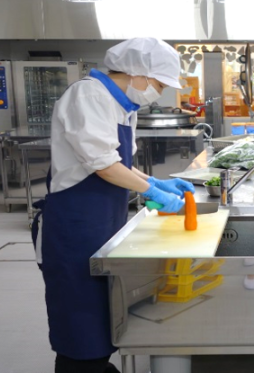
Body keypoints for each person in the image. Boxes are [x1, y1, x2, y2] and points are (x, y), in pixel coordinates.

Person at [34, 37, 194, 373]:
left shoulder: (122, 106)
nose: (159, 92)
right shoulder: (88, 95)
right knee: (79, 315)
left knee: (103, 308)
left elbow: (120, 163)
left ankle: (96, 365)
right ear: (137, 73)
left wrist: (155, 182)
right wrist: (152, 192)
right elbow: (104, 166)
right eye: (159, 84)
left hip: (104, 223)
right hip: (75, 227)